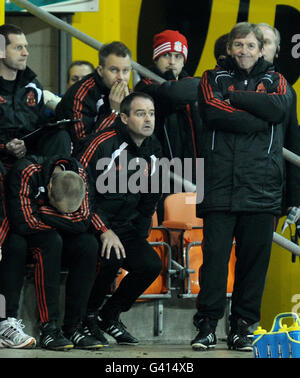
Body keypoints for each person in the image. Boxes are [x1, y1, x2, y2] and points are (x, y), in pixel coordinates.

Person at [191, 22, 294, 352]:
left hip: (262, 189)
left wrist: (233, 99)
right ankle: (207, 326)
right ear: (230, 48)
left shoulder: (277, 80)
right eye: (239, 45)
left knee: (253, 266)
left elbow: (278, 108)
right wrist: (257, 114)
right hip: (218, 187)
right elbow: (213, 112)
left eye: (251, 45)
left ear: (262, 49)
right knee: (214, 263)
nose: (245, 51)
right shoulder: (211, 78)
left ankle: (242, 328)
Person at [77, 92, 162, 346]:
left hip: (124, 226)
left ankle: (109, 314)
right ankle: (86, 317)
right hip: (89, 222)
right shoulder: (102, 143)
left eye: (151, 113)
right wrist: (103, 229)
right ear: (124, 117)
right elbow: (79, 189)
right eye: (140, 113)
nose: (148, 119)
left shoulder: (153, 149)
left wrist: (139, 232)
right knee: (110, 255)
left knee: (150, 265)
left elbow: (150, 197)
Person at [1, 155, 104, 350]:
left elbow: (83, 221)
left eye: (66, 212)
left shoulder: (79, 174)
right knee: (50, 242)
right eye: (60, 209)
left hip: (54, 228)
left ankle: (74, 326)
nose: (64, 214)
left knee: (89, 244)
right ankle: (49, 328)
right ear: (48, 189)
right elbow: (24, 223)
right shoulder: (27, 171)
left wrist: (42, 211)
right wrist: (65, 220)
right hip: (27, 236)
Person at [134, 30, 202, 222]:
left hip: (194, 172)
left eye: (178, 56)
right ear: (156, 58)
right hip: (161, 174)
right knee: (164, 230)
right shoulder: (145, 87)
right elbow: (172, 95)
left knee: (193, 233)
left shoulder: (189, 86)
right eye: (166, 55)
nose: (172, 61)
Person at [0, 24, 71, 170]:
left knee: (60, 136)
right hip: (2, 157)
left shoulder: (32, 86)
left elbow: (40, 126)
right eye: (18, 48)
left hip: (29, 155)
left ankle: (56, 188)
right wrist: (5, 146)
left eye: (25, 47)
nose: (26, 53)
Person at [56, 41, 132, 153]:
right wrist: (114, 112)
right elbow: (84, 147)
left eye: (125, 71)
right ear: (100, 71)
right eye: (114, 70)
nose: (121, 77)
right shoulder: (79, 94)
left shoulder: (128, 93)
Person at [257, 23, 300, 213]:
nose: (260, 47)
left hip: (270, 187)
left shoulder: (286, 92)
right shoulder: (226, 82)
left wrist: (294, 198)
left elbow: (292, 143)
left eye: (266, 42)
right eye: (255, 42)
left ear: (277, 50)